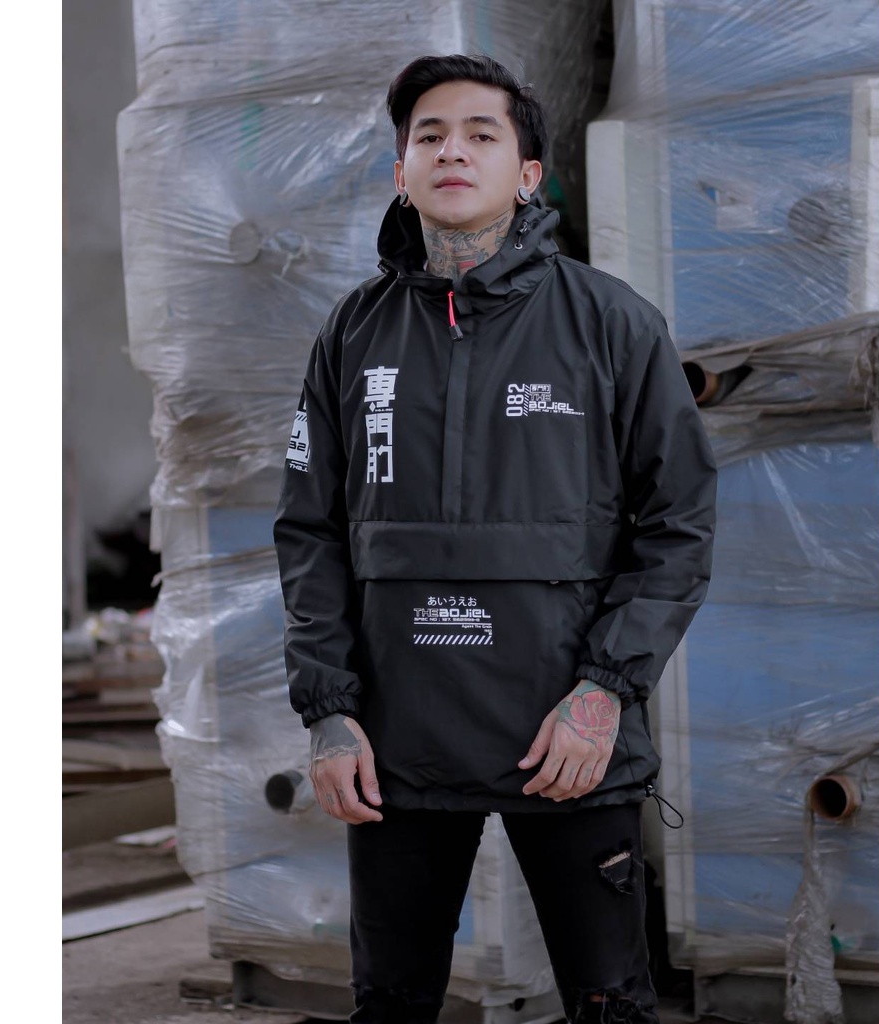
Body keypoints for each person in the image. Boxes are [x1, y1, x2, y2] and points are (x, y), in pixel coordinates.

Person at [273, 53, 717, 1024]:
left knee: (608, 1001)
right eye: (428, 135)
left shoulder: (611, 324)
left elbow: (678, 524)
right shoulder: (352, 333)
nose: (451, 151)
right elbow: (310, 533)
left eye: (482, 134)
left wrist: (605, 691)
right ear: (400, 171)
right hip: (395, 740)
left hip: (565, 734)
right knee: (392, 1002)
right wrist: (328, 711)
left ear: (527, 174)